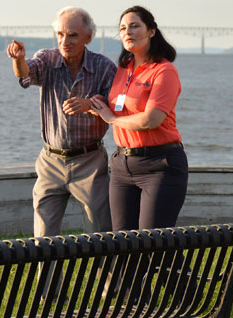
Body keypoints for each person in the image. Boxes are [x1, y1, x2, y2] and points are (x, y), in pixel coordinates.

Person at [6, 6, 115, 237]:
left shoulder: (105, 67)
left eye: (72, 35)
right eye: (60, 34)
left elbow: (116, 107)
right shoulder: (46, 58)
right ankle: (46, 275)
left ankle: (106, 274)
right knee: (43, 239)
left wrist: (89, 105)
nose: (65, 40)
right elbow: (25, 73)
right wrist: (19, 59)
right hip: (50, 161)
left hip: (90, 161)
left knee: (100, 235)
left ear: (88, 37)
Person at [87, 5, 188, 231]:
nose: (127, 32)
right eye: (123, 28)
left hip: (160, 164)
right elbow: (121, 105)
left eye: (134, 26)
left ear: (151, 31)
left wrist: (111, 118)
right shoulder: (123, 68)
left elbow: (150, 120)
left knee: (153, 243)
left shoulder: (164, 71)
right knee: (123, 244)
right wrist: (100, 103)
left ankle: (182, 269)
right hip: (122, 165)